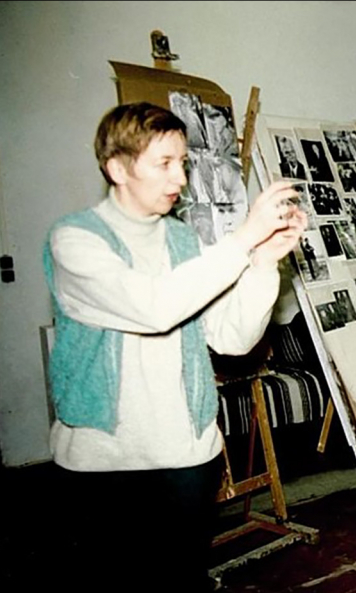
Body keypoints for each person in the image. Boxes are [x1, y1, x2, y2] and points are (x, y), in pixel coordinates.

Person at [43, 102, 306, 592]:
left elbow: (232, 338)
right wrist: (245, 236)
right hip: (105, 463)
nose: (180, 179)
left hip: (188, 456)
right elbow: (154, 307)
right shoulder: (75, 240)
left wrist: (265, 262)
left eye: (182, 163)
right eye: (164, 164)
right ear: (116, 168)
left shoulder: (183, 241)